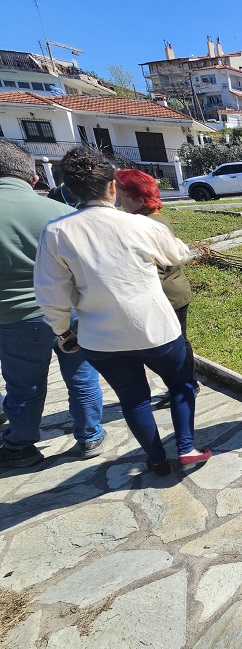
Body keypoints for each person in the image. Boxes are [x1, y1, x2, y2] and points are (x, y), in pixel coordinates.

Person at [34, 147, 210, 476]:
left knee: (133, 398)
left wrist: (63, 332)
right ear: (112, 187)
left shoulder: (56, 234)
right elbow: (179, 253)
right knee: (181, 383)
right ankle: (186, 447)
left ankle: (157, 458)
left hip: (100, 337)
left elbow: (51, 293)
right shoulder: (142, 226)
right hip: (155, 327)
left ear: (69, 190)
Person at [0, 140, 106, 468]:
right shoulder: (61, 212)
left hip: (14, 317)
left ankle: (21, 445)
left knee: (24, 384)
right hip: (71, 310)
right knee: (82, 373)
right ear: (33, 178)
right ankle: (90, 436)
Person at [115, 168, 198, 407]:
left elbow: (157, 266)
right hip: (174, 292)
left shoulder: (145, 224)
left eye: (123, 196)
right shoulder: (154, 218)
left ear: (140, 199)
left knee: (175, 346)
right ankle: (187, 384)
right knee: (179, 342)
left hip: (167, 296)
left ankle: (185, 387)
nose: (119, 202)